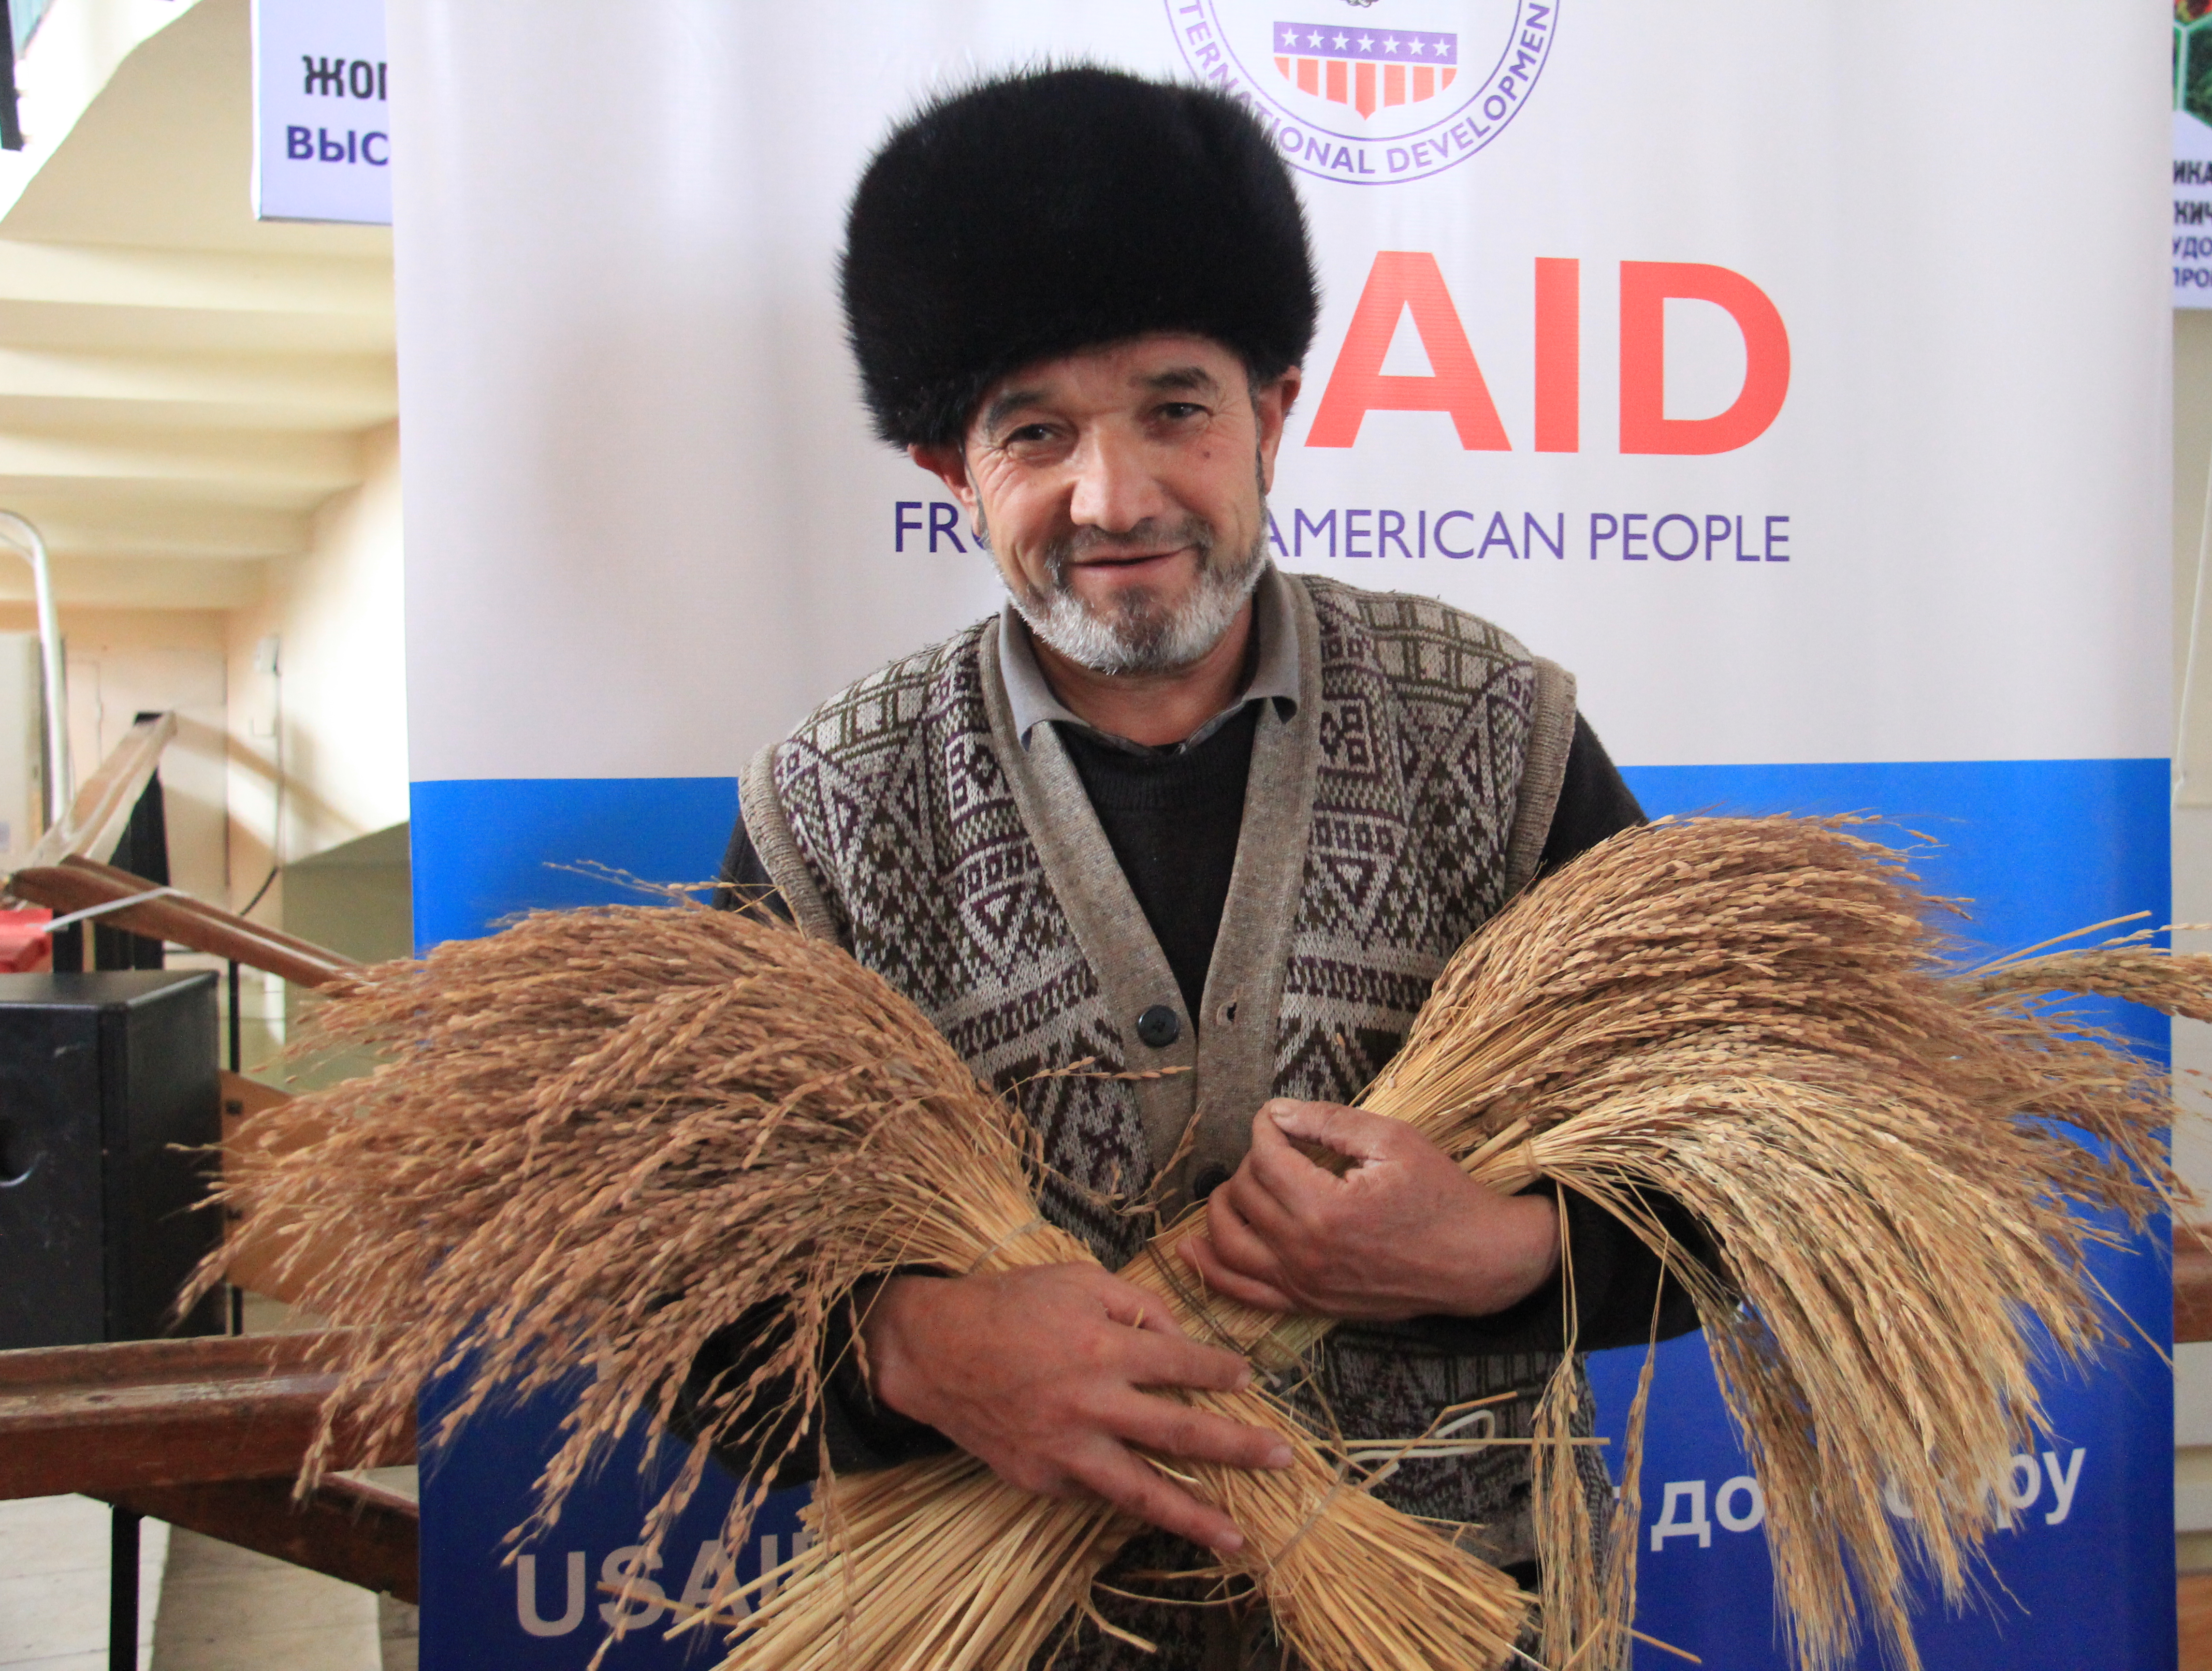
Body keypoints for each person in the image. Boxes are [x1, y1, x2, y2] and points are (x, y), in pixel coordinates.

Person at [686, 65, 1713, 1669]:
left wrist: (1504, 1249)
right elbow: (690, 1291)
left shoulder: (1498, 733)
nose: (1118, 498)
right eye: (1037, 432)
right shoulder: (829, 808)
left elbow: (1730, 1170)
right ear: (951, 470)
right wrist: (911, 1344)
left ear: (1275, 412)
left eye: (1177, 408)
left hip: (1466, 1624)